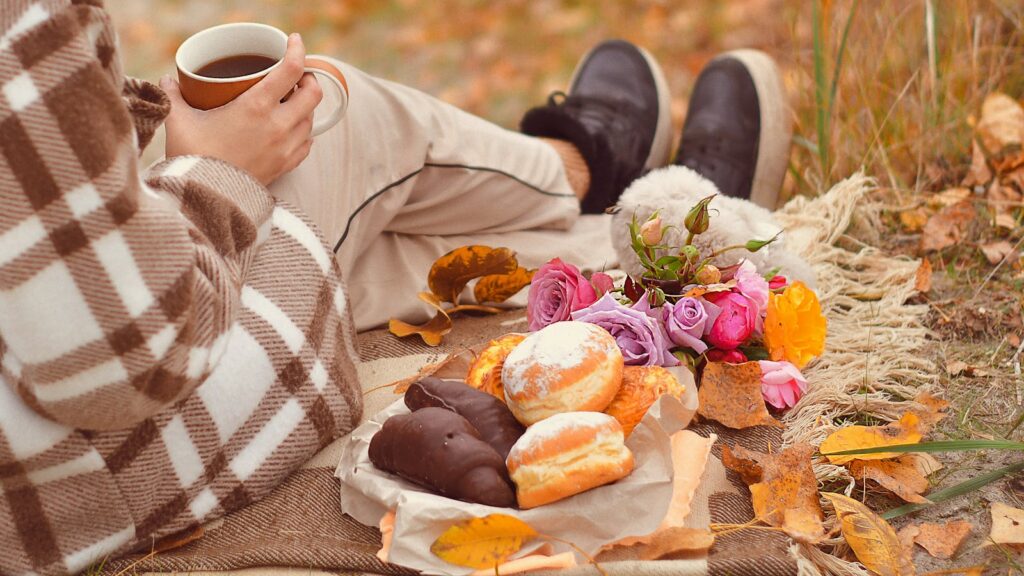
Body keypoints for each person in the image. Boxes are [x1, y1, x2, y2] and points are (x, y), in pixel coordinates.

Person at [0, 0, 789, 574]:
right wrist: (218, 174)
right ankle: (622, 187)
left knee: (335, 184)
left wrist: (116, 134)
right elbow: (126, 359)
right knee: (336, 115)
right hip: (77, 471)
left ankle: (642, 205)